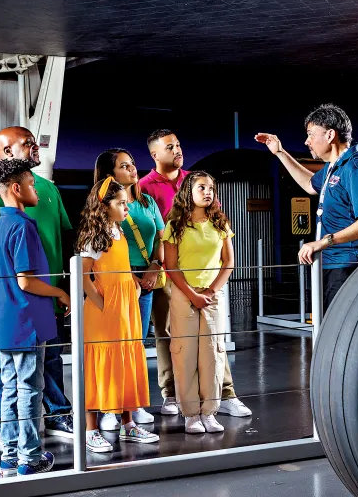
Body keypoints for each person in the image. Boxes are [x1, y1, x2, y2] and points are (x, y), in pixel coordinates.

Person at [0, 126, 74, 443]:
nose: (36, 147)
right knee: (2, 364)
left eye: (35, 142)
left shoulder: (45, 188)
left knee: (49, 357)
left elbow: (63, 237)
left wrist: (63, 285)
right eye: (28, 144)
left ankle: (56, 416)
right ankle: (3, 427)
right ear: (7, 151)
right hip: (8, 300)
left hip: (45, 295)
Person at [139, 129, 252, 419]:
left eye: (178, 144)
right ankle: (172, 394)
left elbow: (216, 225)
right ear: (155, 155)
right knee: (169, 337)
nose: (177, 150)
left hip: (207, 277)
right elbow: (151, 230)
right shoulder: (145, 187)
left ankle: (224, 394)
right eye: (169, 147)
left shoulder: (198, 181)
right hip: (169, 274)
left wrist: (212, 285)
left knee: (213, 338)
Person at [255, 103, 358, 311]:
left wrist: (325, 241)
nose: (307, 141)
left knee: (341, 333)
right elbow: (309, 184)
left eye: (310, 134)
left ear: (330, 135)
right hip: (331, 264)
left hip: (348, 266)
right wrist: (280, 153)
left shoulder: (355, 166)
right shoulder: (333, 168)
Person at [0, 158, 70, 476]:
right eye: (33, 184)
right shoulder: (22, 225)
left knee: (10, 387)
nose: (37, 189)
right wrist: (61, 294)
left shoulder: (2, 224)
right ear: (17, 189)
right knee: (30, 389)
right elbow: (26, 280)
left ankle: (9, 454)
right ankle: (30, 458)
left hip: (6, 322)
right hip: (27, 321)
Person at [77, 177, 160, 452]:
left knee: (126, 361)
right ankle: (91, 430)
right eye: (121, 203)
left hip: (125, 308)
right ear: (104, 206)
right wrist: (104, 304)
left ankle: (128, 425)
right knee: (98, 366)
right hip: (106, 311)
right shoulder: (93, 237)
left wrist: (133, 285)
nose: (127, 208)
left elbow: (122, 267)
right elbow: (83, 276)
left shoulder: (118, 231)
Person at [91, 149, 163, 432]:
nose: (133, 169)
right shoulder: (105, 207)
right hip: (113, 280)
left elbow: (160, 236)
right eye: (125, 166)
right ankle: (111, 407)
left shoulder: (147, 202)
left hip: (144, 278)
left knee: (135, 343)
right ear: (110, 176)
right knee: (113, 346)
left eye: (133, 164)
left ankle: (131, 405)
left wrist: (155, 266)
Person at [162, 171, 235, 434]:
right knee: (185, 355)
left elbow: (228, 262)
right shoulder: (174, 226)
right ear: (187, 192)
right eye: (202, 187)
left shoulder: (220, 224)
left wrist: (212, 291)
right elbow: (171, 266)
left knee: (212, 355)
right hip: (184, 294)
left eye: (211, 188)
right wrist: (192, 294)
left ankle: (210, 411)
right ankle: (191, 414)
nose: (207, 192)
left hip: (213, 296)